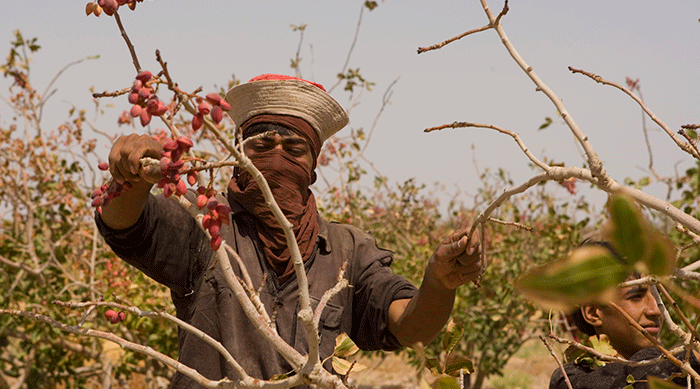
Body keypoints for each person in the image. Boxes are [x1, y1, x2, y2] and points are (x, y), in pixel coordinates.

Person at [96, 74, 482, 388]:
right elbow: (125, 224)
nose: (277, 156)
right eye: (262, 144)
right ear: (237, 155)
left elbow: (409, 326)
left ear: (312, 166)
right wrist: (132, 176)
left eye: (294, 149)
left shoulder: (349, 249)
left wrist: (439, 282)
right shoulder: (207, 225)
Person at [549, 241, 699, 389]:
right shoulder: (568, 379)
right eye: (636, 297)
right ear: (594, 313)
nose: (656, 310)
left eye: (657, 296)